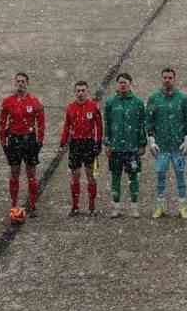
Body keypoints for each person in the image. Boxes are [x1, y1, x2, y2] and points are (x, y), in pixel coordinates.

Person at [145, 66, 187, 219]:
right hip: (162, 147)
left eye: (170, 78)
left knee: (180, 176)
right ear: (161, 79)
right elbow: (149, 120)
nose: (167, 80)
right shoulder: (154, 98)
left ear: (174, 79)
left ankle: (183, 207)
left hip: (178, 147)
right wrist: (151, 140)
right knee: (160, 176)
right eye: (165, 77)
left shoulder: (183, 99)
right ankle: (159, 207)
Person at [0, 72, 46, 217]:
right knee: (14, 174)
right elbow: (2, 123)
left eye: (23, 81)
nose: (20, 83)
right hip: (14, 140)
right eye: (18, 81)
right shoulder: (8, 102)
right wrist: (3, 142)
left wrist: (39, 141)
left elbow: (41, 123)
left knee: (31, 174)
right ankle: (14, 205)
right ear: (15, 83)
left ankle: (32, 204)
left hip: (29, 140)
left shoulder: (34, 102)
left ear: (27, 83)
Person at [103, 72, 148, 217]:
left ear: (130, 84)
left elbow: (142, 124)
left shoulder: (138, 103)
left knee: (133, 177)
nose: (122, 85)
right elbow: (107, 125)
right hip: (116, 148)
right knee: (115, 177)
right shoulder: (110, 103)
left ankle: (134, 207)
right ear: (117, 84)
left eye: (125, 82)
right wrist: (108, 144)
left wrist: (142, 143)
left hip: (132, 148)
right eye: (120, 82)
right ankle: (116, 207)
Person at [59, 79, 103, 216]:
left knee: (91, 176)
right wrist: (63, 142)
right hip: (75, 144)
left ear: (87, 91)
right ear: (74, 92)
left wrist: (98, 143)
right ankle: (75, 206)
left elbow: (99, 127)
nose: (80, 93)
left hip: (89, 143)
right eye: (78, 91)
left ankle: (91, 206)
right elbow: (67, 126)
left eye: (83, 90)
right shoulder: (70, 108)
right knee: (75, 176)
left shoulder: (93, 107)